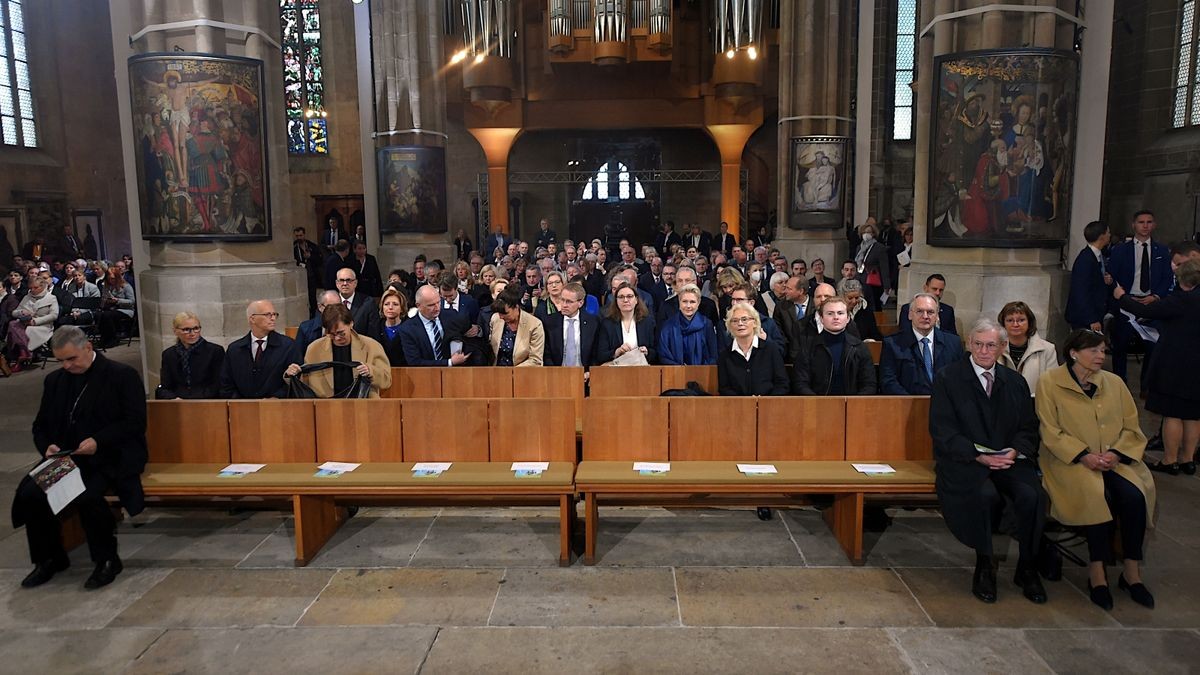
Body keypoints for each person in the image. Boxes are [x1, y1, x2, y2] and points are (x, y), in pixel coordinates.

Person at [13, 326, 146, 589]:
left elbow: (134, 423)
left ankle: (107, 560)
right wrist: (47, 446)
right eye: (61, 360)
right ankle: (49, 559)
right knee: (31, 495)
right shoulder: (55, 381)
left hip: (110, 456)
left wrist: (99, 441)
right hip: (66, 460)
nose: (66, 365)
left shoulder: (121, 376)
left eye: (71, 358)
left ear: (87, 348)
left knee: (86, 495)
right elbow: (40, 425)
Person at [1036, 329, 1156, 610]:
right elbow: (1050, 430)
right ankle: (1097, 571)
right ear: (1074, 353)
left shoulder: (1114, 383)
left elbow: (1131, 426)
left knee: (1134, 497)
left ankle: (1131, 570)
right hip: (1070, 462)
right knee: (1094, 496)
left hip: (1114, 460)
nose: (1101, 356)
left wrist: (1115, 454)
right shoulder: (1050, 382)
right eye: (1094, 350)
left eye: (1103, 350)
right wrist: (1083, 455)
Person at [929, 318, 1047, 605]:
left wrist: (1014, 451)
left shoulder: (1014, 382)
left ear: (1002, 347)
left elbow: (1028, 427)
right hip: (965, 460)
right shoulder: (949, 378)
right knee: (984, 495)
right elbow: (943, 429)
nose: (983, 351)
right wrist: (977, 455)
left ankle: (1028, 566)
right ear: (969, 345)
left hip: (1009, 460)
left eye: (991, 345)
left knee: (1033, 496)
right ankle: (985, 564)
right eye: (978, 344)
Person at [1114, 258, 1200, 473]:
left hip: (1175, 364)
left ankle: (1170, 461)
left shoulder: (1180, 300)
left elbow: (1145, 311)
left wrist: (1121, 297)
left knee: (1172, 414)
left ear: (1181, 280)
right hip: (1197, 365)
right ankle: (1188, 460)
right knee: (1192, 414)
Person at [1108, 210, 1172, 383]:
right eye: (1141, 222)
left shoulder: (1163, 251)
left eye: (1149, 222)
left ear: (1154, 225)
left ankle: (1146, 384)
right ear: (1133, 225)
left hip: (1151, 304)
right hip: (1127, 302)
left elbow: (1167, 277)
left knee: (1153, 345)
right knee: (1120, 345)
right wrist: (1123, 297)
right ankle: (1120, 383)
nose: (1145, 226)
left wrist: (1156, 296)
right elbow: (1112, 276)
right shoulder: (1120, 250)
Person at [285, 303, 391, 398]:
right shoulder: (314, 349)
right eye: (332, 334)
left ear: (351, 324)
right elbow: (304, 384)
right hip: (325, 407)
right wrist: (293, 374)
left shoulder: (371, 346)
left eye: (341, 333)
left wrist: (370, 371)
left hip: (362, 406)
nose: (337, 338)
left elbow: (386, 381)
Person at [880, 293, 963, 395]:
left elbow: (960, 378)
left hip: (945, 406)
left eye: (930, 312)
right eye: (919, 311)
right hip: (907, 406)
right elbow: (888, 381)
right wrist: (914, 403)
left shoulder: (953, 343)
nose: (925, 316)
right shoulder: (893, 344)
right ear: (910, 314)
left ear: (937, 316)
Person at [791, 295, 875, 395]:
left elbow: (869, 384)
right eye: (830, 313)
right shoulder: (808, 348)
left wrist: (853, 404)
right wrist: (819, 403)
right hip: (816, 406)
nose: (836, 317)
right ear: (821, 318)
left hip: (853, 407)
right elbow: (800, 383)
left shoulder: (860, 348)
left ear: (848, 318)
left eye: (840, 313)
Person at [219, 300, 302, 398]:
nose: (273, 318)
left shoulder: (288, 346)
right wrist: (242, 404)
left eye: (274, 314)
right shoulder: (235, 349)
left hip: (277, 408)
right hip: (242, 409)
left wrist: (277, 398)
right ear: (252, 319)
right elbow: (226, 384)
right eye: (268, 314)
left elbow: (296, 381)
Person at [717, 302, 789, 396]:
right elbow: (724, 388)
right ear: (730, 326)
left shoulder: (771, 349)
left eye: (744, 319)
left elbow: (782, 384)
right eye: (735, 320)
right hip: (738, 408)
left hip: (769, 406)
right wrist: (745, 403)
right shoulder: (725, 356)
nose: (740, 323)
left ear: (755, 322)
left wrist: (765, 401)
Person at [398, 285, 472, 367]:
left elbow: (467, 335)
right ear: (418, 306)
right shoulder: (407, 329)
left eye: (438, 302)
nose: (437, 308)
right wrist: (449, 362)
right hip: (425, 375)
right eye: (431, 305)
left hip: (454, 374)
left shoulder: (451, 316)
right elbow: (415, 362)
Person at [156, 311, 224, 399]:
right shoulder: (169, 354)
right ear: (175, 331)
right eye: (186, 330)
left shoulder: (215, 351)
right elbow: (165, 386)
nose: (192, 333)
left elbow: (218, 384)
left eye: (196, 328)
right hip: (179, 403)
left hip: (207, 401)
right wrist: (174, 398)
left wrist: (194, 400)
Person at [997, 301, 1059, 395]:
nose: (1015, 324)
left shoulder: (1048, 349)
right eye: (1010, 320)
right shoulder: (994, 348)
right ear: (1003, 324)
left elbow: (1052, 384)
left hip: (1034, 404)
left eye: (1021, 320)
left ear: (1029, 322)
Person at [1064, 220, 1113, 331]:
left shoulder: (1099, 256)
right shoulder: (1085, 259)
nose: (1110, 235)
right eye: (1108, 232)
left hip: (1096, 312)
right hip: (1085, 318)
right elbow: (1080, 291)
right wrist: (1091, 319)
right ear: (1102, 236)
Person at [4, 275, 58, 370]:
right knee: (13, 324)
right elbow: (14, 312)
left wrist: (35, 321)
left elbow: (54, 315)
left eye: (35, 288)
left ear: (42, 286)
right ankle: (24, 352)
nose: (32, 290)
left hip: (41, 326)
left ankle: (21, 355)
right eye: (31, 288)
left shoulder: (51, 298)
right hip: (24, 323)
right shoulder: (27, 297)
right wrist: (21, 312)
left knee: (24, 331)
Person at [597, 280, 657, 364]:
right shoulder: (607, 324)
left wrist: (647, 352)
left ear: (636, 300)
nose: (625, 300)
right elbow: (601, 355)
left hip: (642, 371)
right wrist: (616, 352)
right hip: (616, 372)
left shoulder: (648, 322)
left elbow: (656, 352)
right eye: (621, 297)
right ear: (616, 301)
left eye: (629, 296)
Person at [658, 284, 717, 366]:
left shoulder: (707, 324)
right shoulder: (669, 325)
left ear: (698, 303)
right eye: (684, 301)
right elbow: (664, 355)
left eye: (692, 302)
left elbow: (713, 354)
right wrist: (681, 369)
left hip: (703, 374)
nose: (688, 306)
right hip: (675, 374)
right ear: (679, 302)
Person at [542, 282, 598, 368]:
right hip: (556, 374)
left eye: (569, 302)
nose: (564, 305)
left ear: (580, 303)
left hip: (584, 375)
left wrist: (589, 373)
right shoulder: (549, 322)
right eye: (562, 300)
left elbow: (596, 353)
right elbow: (546, 354)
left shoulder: (593, 323)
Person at [489, 287, 544, 367]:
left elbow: (535, 360)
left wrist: (512, 372)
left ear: (516, 307)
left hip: (523, 373)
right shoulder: (495, 318)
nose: (501, 317)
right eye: (499, 313)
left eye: (505, 313)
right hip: (497, 372)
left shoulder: (534, 324)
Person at [853, 222, 890, 310]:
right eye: (864, 232)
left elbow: (884, 267)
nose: (866, 235)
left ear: (873, 234)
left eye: (869, 232)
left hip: (873, 281)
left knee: (874, 306)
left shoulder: (879, 248)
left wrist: (886, 285)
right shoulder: (859, 247)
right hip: (860, 279)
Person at [97, 266, 135, 348]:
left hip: (125, 310)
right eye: (109, 279)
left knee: (107, 316)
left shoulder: (126, 286)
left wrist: (117, 300)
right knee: (99, 315)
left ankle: (113, 338)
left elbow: (132, 301)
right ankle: (104, 338)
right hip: (111, 308)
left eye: (113, 278)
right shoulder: (107, 287)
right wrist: (106, 301)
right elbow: (103, 300)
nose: (111, 281)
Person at [332, 268, 377, 336]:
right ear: (336, 283)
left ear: (355, 283)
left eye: (348, 280)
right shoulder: (330, 302)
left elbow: (373, 333)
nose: (345, 283)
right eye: (341, 280)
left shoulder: (368, 303)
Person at [371, 287, 409, 366]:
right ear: (382, 307)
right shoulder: (375, 328)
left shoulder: (409, 328)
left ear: (402, 308)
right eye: (386, 304)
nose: (390, 307)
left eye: (395, 304)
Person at [296, 290, 339, 356]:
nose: (336, 311)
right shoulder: (305, 328)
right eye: (330, 308)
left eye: (339, 307)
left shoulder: (345, 326)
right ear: (320, 307)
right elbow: (298, 356)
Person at [293, 226, 323, 317]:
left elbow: (320, 260)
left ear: (304, 235)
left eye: (301, 235)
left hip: (311, 275)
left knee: (312, 297)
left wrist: (310, 257)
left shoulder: (312, 246)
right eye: (297, 236)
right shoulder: (294, 247)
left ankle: (313, 314)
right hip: (299, 276)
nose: (299, 238)